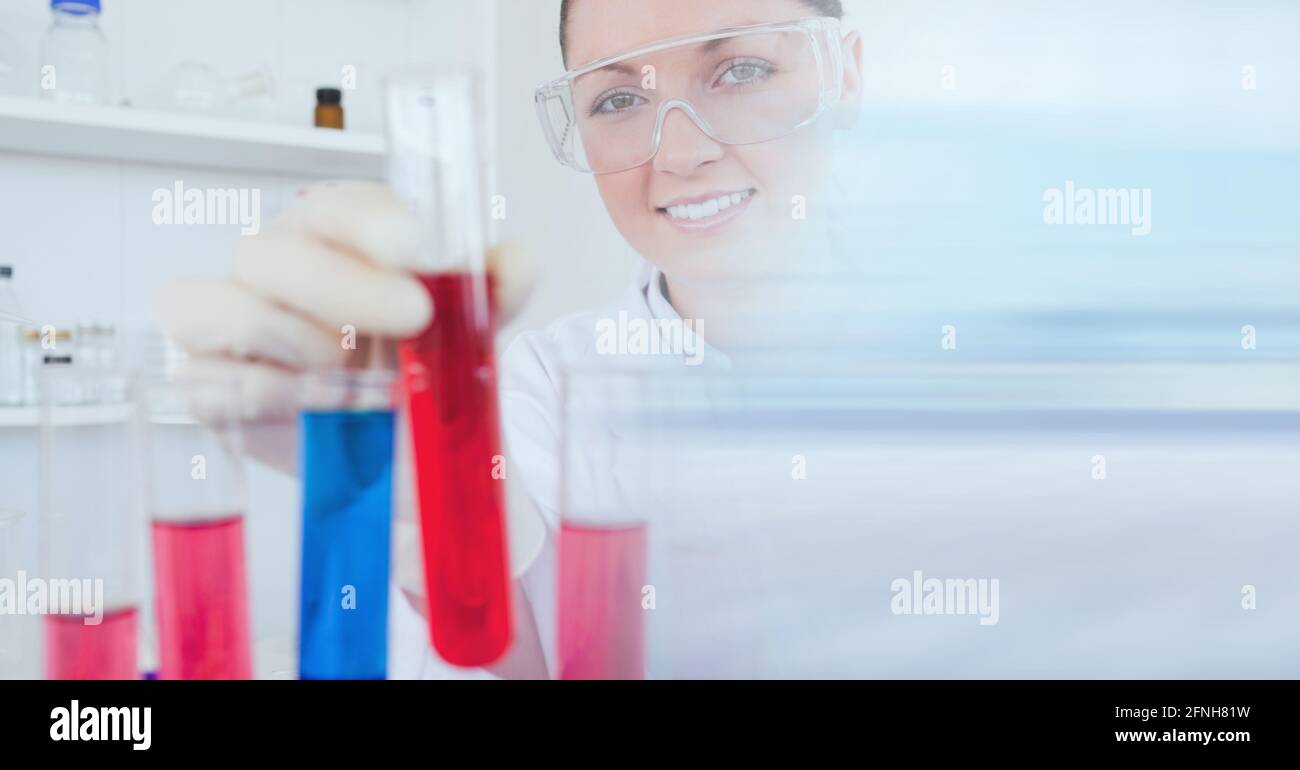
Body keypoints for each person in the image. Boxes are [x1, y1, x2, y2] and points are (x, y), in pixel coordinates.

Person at [157, 0, 864, 678]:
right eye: (619, 101)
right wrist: (419, 497)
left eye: (740, 70)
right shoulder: (540, 393)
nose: (680, 152)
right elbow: (516, 659)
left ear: (847, 76)